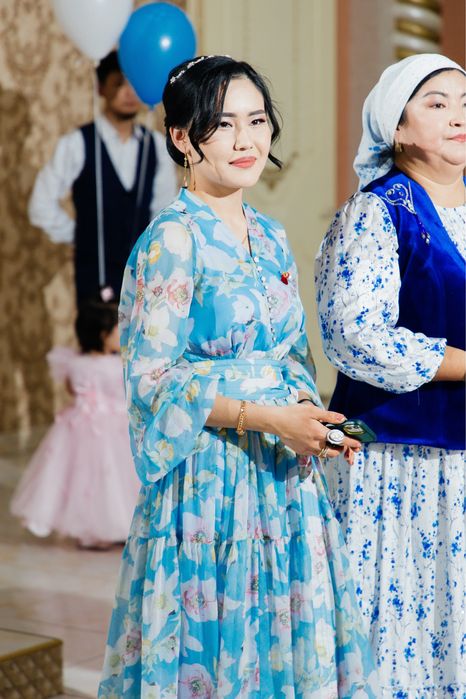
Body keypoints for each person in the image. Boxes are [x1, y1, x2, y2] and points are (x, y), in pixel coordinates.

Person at [98, 55, 379, 698]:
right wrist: (267, 418)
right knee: (219, 643)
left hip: (283, 476)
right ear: (181, 137)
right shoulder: (173, 240)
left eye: (257, 120)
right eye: (222, 124)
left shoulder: (272, 236)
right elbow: (153, 380)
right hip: (210, 483)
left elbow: (293, 355)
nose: (246, 139)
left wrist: (313, 421)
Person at [315, 54, 466, 697]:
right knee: (401, 627)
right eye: (437, 103)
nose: (458, 115)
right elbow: (356, 334)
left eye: (465, 102)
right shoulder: (379, 212)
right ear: (396, 127)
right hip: (400, 461)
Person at [28, 50, 178, 303]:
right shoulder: (77, 143)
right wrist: (82, 235)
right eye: (119, 83)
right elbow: (40, 205)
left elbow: (164, 212)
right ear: (101, 88)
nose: (129, 92)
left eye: (135, 84)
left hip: (145, 280)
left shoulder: (156, 146)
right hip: (94, 283)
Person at [10, 299, 141, 549]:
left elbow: (72, 389)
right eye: (118, 330)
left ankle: (91, 531)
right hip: (113, 426)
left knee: (84, 479)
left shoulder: (74, 364)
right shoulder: (118, 366)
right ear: (103, 335)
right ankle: (117, 525)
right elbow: (124, 393)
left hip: (80, 423)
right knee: (114, 478)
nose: (122, 334)